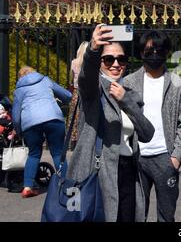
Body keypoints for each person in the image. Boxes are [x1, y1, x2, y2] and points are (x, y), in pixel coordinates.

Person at [67, 24, 155, 222]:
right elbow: (86, 77)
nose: (116, 64)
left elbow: (147, 133)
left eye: (121, 59)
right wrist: (93, 49)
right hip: (97, 171)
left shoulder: (130, 93)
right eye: (108, 59)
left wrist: (126, 101)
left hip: (128, 172)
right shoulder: (93, 90)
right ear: (100, 62)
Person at [122, 31, 181, 222]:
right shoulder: (129, 82)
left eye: (159, 50)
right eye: (149, 50)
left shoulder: (178, 83)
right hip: (137, 157)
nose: (154, 54)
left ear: (167, 52)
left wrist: (176, 155)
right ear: (141, 52)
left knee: (166, 215)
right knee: (136, 213)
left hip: (165, 157)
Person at [11, 66, 72, 198]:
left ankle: (28, 187)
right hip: (53, 117)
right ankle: (65, 185)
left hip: (30, 123)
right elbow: (68, 95)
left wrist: (18, 130)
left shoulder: (19, 90)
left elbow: (15, 115)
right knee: (57, 152)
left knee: (33, 154)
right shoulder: (45, 80)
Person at [68, 41, 89, 150]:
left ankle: (73, 139)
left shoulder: (74, 62)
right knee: (86, 115)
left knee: (74, 116)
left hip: (76, 91)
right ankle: (84, 137)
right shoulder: (89, 62)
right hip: (86, 91)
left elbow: (72, 78)